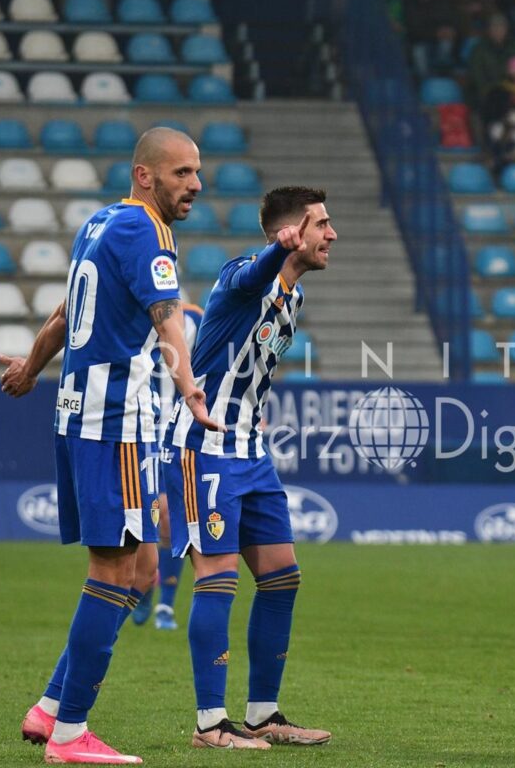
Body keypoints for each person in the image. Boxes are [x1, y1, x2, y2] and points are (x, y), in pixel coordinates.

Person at [0, 127, 221, 764]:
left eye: (197, 173)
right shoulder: (149, 233)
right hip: (114, 420)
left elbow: (68, 315)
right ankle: (71, 736)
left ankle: (49, 707)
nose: (195, 185)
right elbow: (167, 317)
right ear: (145, 175)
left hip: (85, 413)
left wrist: (32, 368)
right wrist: (188, 388)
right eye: (182, 173)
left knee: (145, 571)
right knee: (113, 570)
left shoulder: (99, 222)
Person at [163, 186, 336, 749]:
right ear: (292, 233)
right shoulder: (242, 275)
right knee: (217, 579)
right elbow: (248, 279)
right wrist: (274, 253)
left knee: (283, 576)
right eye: (322, 225)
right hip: (203, 444)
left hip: (250, 451)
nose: (332, 235)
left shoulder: (295, 298)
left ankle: (263, 715)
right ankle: (210, 724)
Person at [131, 300, 204, 631]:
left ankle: (165, 606)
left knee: (169, 516)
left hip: (179, 430)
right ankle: (144, 582)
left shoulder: (197, 318)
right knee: (145, 516)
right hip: (140, 426)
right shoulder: (134, 313)